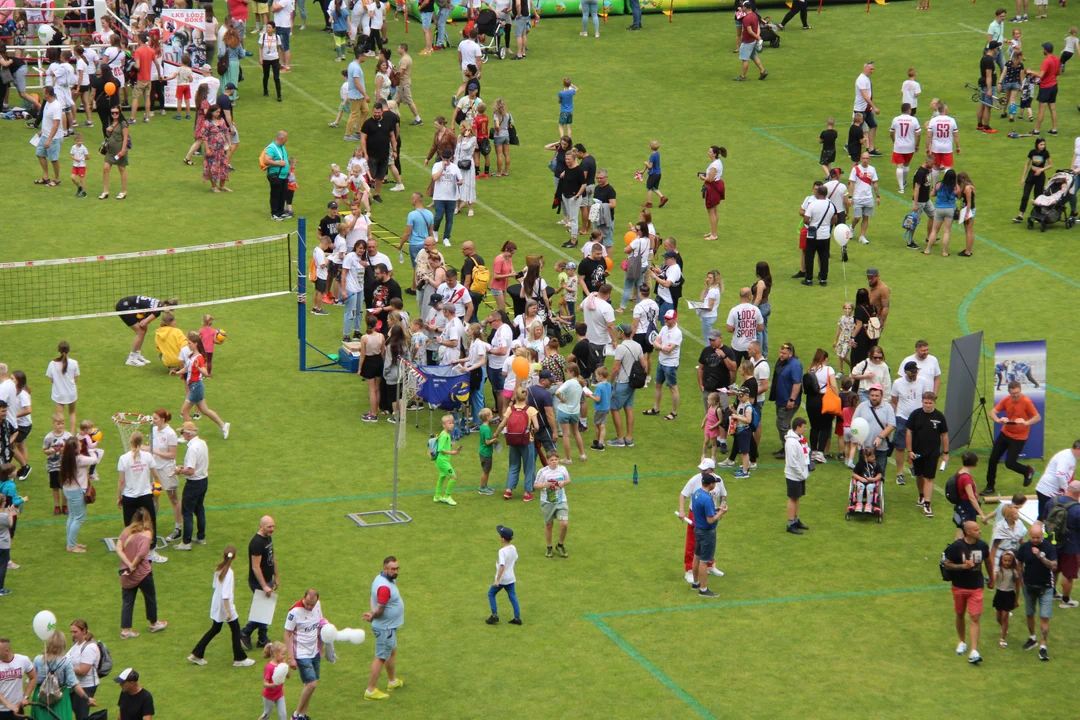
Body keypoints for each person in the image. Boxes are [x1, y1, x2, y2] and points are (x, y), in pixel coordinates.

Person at [188, 546, 254, 667]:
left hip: (217, 604)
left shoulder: (218, 568)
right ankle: (239, 658)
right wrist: (229, 612)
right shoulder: (229, 573)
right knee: (235, 630)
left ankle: (196, 654)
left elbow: (215, 586)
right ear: (235, 557)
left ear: (223, 555)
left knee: (216, 628)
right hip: (225, 606)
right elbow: (225, 595)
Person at [944, 520, 994, 664]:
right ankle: (962, 641)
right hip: (959, 586)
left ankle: (974, 650)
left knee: (974, 618)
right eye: (977, 530)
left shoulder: (983, 546)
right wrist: (963, 567)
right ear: (969, 532)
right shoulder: (956, 547)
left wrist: (991, 578)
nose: (980, 531)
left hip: (976, 586)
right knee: (960, 614)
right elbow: (947, 564)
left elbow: (988, 562)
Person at [116, 508, 168, 638]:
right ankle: (153, 623)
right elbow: (142, 554)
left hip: (126, 573)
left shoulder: (126, 531)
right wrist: (132, 565)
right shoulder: (147, 534)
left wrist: (128, 564)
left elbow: (118, 548)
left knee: (127, 601)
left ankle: (126, 630)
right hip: (143, 573)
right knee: (150, 597)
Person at [982, 380, 1040, 495]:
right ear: (1009, 391)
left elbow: (1037, 417)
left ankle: (1027, 470)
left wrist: (1026, 422)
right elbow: (992, 412)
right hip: (1005, 433)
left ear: (1020, 390)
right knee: (993, 459)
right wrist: (999, 420)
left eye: (1018, 392)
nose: (1016, 395)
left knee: (1010, 463)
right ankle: (990, 487)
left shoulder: (1026, 402)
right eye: (1013, 393)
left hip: (1019, 437)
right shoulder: (1006, 400)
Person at [363, 557, 405, 701]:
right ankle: (370, 690)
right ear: (385, 569)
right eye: (393, 569)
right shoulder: (384, 587)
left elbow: (372, 597)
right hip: (384, 628)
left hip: (389, 626)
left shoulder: (381, 578)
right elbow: (380, 609)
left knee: (391, 651)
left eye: (397, 568)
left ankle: (392, 681)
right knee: (381, 657)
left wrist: (372, 611)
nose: (396, 571)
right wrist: (373, 615)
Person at [28, 632, 96, 718]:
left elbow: (31, 680)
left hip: (41, 697)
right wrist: (87, 698)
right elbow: (74, 683)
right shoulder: (66, 662)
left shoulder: (38, 659)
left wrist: (25, 697)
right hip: (60, 699)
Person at [1016, 522, 1057, 660]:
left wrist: (1040, 555)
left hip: (1045, 587)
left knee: (1044, 617)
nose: (1035, 540)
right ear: (1029, 535)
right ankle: (1032, 638)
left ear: (1042, 536)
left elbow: (1053, 566)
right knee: (1029, 613)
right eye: (1033, 537)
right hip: (1029, 586)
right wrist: (1022, 582)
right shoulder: (1024, 547)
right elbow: (1019, 563)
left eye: (1038, 538)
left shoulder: (1049, 547)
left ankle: (1043, 646)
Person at [906, 391, 949, 518]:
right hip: (917, 452)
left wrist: (945, 452)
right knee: (919, 475)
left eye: (930, 403)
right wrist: (909, 451)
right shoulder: (916, 414)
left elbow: (945, 435)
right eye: (926, 403)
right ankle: (921, 495)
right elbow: (909, 433)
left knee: (929, 478)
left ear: (934, 402)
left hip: (932, 453)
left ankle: (927, 504)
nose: (928, 405)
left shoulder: (939, 417)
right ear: (922, 402)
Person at [241, 516, 279, 651]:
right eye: (269, 527)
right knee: (263, 611)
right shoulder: (256, 542)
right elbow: (255, 567)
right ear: (261, 526)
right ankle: (245, 632)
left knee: (265, 609)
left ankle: (262, 638)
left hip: (267, 579)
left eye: (273, 526)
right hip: (258, 582)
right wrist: (264, 586)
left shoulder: (268, 537)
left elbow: (271, 556)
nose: (272, 529)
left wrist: (276, 576)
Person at [689, 472, 727, 597]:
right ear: (710, 484)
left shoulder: (696, 494)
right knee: (704, 561)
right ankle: (704, 590)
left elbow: (701, 511)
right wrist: (721, 512)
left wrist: (715, 510)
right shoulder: (707, 498)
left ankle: (695, 583)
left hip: (698, 530)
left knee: (697, 557)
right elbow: (710, 519)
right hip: (707, 533)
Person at [172, 422, 209, 551]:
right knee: (199, 509)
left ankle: (186, 542)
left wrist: (180, 471)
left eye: (182, 432)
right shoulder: (202, 443)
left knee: (187, 513)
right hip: (203, 480)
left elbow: (191, 470)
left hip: (193, 483)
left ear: (188, 434)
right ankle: (201, 537)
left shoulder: (192, 449)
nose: (182, 435)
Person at [1048, 481, 1080, 609]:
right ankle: (1065, 600)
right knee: (1068, 574)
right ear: (1078, 493)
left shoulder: (1052, 501)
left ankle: (1053, 592)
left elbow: (1045, 519)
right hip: (1070, 545)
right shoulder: (1077, 509)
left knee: (1054, 569)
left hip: (1052, 541)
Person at [1034, 441, 1080, 521]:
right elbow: (1060, 475)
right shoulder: (1065, 457)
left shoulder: (1072, 458)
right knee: (1045, 518)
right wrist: (1067, 490)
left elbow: (1069, 476)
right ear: (1077, 448)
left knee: (1055, 517)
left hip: (1055, 491)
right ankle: (1038, 532)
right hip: (1047, 491)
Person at [486, 525, 521, 625]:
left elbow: (502, 566)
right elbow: (515, 559)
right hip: (511, 578)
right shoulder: (513, 548)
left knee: (491, 593)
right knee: (512, 597)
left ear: (503, 538)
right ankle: (517, 618)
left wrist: (497, 580)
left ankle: (494, 615)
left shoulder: (502, 551)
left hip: (503, 579)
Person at [66, 620, 100, 720]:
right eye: (71, 632)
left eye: (75, 632)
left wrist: (67, 668)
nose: (72, 635)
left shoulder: (90, 647)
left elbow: (83, 671)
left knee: (81, 716)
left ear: (84, 631)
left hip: (86, 686)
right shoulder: (76, 645)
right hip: (75, 685)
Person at [1014, 137, 1051, 223]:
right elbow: (1027, 164)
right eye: (1041, 144)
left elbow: (1050, 165)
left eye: (1044, 144)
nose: (1043, 146)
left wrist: (1041, 170)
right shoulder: (1032, 152)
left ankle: (1037, 215)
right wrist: (1023, 177)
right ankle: (1020, 215)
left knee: (1037, 197)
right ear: (1037, 144)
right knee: (1025, 195)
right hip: (1031, 175)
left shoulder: (1046, 153)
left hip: (1040, 176)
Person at [724, 287, 764, 367]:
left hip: (737, 345)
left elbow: (729, 328)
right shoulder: (756, 310)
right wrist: (751, 327)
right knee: (750, 370)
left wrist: (737, 328)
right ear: (750, 297)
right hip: (751, 346)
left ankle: (732, 380)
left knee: (733, 369)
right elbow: (761, 327)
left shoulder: (734, 310)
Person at [1027, 42, 1059, 136]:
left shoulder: (1046, 61)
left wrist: (1030, 71)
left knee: (1041, 109)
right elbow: (1059, 71)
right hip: (1054, 85)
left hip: (1046, 87)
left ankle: (1036, 130)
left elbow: (1041, 75)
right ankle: (1054, 129)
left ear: (1045, 50)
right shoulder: (1057, 59)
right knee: (1052, 108)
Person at [99, 104, 129, 200]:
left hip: (119, 150)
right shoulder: (111, 122)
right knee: (105, 169)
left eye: (116, 112)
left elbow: (125, 137)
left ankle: (123, 191)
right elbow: (109, 136)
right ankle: (105, 191)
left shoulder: (123, 123)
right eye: (112, 113)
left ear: (119, 112)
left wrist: (123, 150)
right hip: (110, 150)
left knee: (122, 169)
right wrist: (108, 131)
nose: (114, 114)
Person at [0, 638, 36, 717]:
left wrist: (26, 697)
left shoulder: (23, 660)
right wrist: (8, 705)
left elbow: (33, 678)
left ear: (6, 651)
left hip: (18, 709)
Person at [734, 1, 767, 82]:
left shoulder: (746, 19)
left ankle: (742, 76)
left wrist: (757, 37)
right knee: (753, 56)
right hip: (753, 40)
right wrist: (758, 36)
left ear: (746, 8)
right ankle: (763, 71)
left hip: (748, 41)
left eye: (743, 7)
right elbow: (758, 27)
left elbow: (750, 31)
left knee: (745, 59)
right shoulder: (755, 15)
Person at [699, 146, 727, 240]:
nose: (708, 153)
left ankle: (714, 235)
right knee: (715, 210)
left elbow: (710, 179)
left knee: (711, 212)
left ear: (714, 154)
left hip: (712, 188)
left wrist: (703, 178)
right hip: (716, 186)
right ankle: (713, 231)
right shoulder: (718, 162)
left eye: (710, 152)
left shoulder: (714, 165)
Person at [264, 130, 290, 221]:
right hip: (275, 175)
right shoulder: (271, 148)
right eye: (286, 138)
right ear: (282, 138)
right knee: (275, 194)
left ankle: (281, 212)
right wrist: (279, 163)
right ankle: (274, 213)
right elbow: (266, 160)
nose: (287, 140)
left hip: (282, 175)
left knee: (282, 194)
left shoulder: (281, 146)